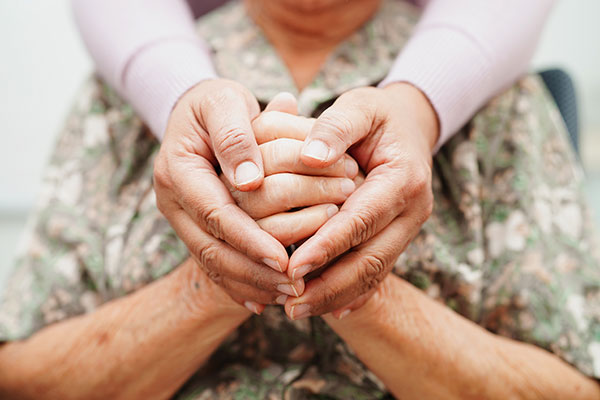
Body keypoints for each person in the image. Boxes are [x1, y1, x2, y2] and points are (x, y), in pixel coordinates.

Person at [1, 0, 600, 399]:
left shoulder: (498, 97)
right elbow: (21, 377)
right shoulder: (123, 99)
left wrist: (358, 282)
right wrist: (221, 272)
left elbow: (572, 385)